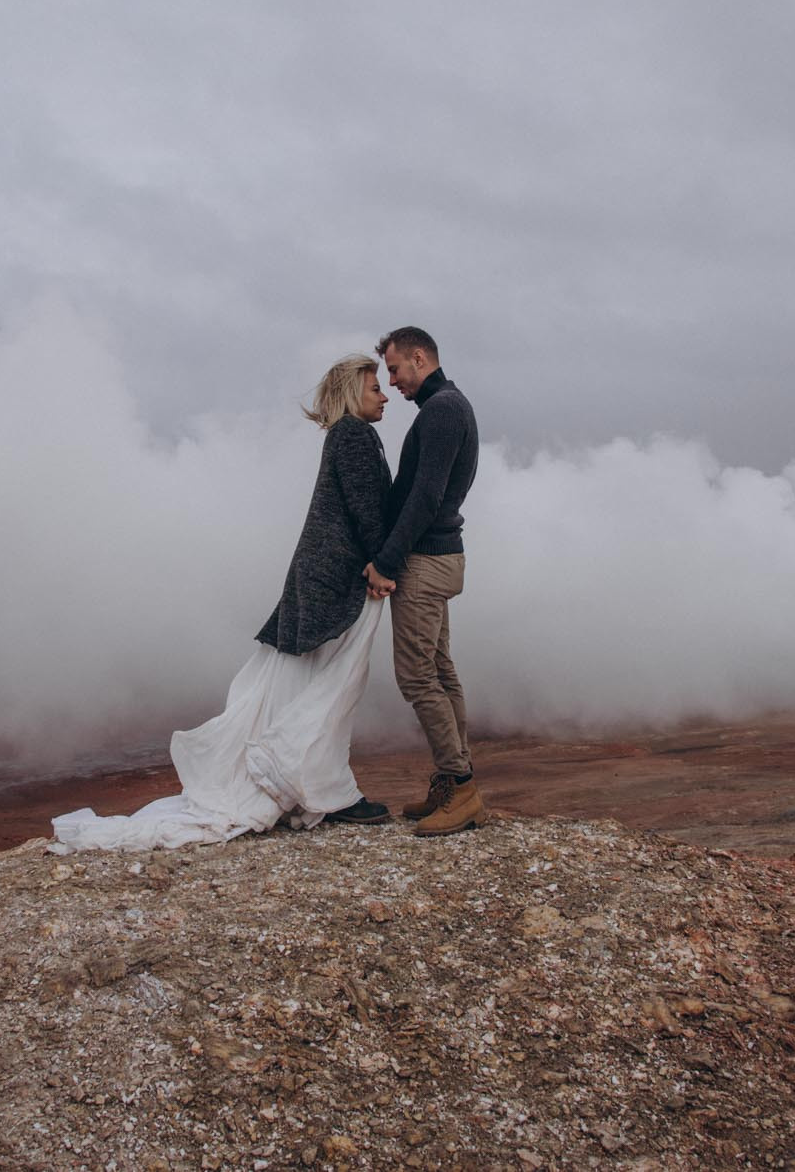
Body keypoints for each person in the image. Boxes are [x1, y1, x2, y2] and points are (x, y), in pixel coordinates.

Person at [50, 355, 395, 851]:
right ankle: (322, 791)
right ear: (351, 394)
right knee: (333, 686)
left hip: (320, 577)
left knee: (305, 687)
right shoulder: (355, 435)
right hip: (341, 581)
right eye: (374, 387)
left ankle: (312, 788)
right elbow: (367, 514)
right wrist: (385, 563)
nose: (383, 396)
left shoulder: (344, 434)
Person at [363, 326, 483, 837]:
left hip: (425, 561)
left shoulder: (442, 410)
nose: (392, 383)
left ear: (419, 357)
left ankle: (461, 788)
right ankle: (456, 785)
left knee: (417, 677)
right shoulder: (447, 407)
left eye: (394, 369)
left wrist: (387, 562)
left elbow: (426, 498)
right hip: (441, 556)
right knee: (439, 669)